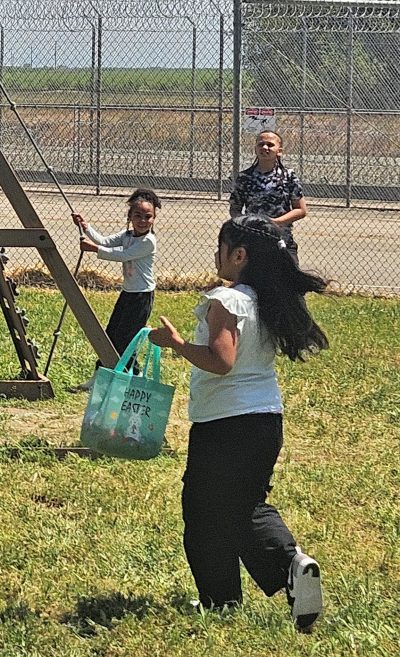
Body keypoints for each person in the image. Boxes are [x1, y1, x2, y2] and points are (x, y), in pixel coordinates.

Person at [149, 215, 329, 631]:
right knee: (241, 504)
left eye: (221, 246)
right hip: (265, 419)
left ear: (239, 255)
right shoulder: (264, 299)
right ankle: (278, 577)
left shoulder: (226, 301)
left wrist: (177, 344)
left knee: (205, 511)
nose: (215, 254)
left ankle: (271, 575)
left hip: (225, 423)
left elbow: (221, 361)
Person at [72, 188, 161, 390]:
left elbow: (122, 255)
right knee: (111, 334)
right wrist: (85, 227)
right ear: (130, 216)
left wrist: (93, 249)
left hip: (141, 296)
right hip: (127, 294)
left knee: (126, 338)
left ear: (154, 219)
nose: (143, 221)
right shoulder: (128, 235)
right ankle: (100, 377)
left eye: (148, 217)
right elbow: (104, 241)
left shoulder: (148, 242)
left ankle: (134, 377)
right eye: (138, 216)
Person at [229, 130, 307, 264]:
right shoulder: (244, 178)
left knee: (290, 281)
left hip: (282, 240)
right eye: (261, 144)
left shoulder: (288, 176)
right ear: (255, 148)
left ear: (279, 150)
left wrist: (275, 222)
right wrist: (247, 225)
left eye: (270, 145)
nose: (265, 148)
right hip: (253, 242)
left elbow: (301, 210)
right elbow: (235, 209)